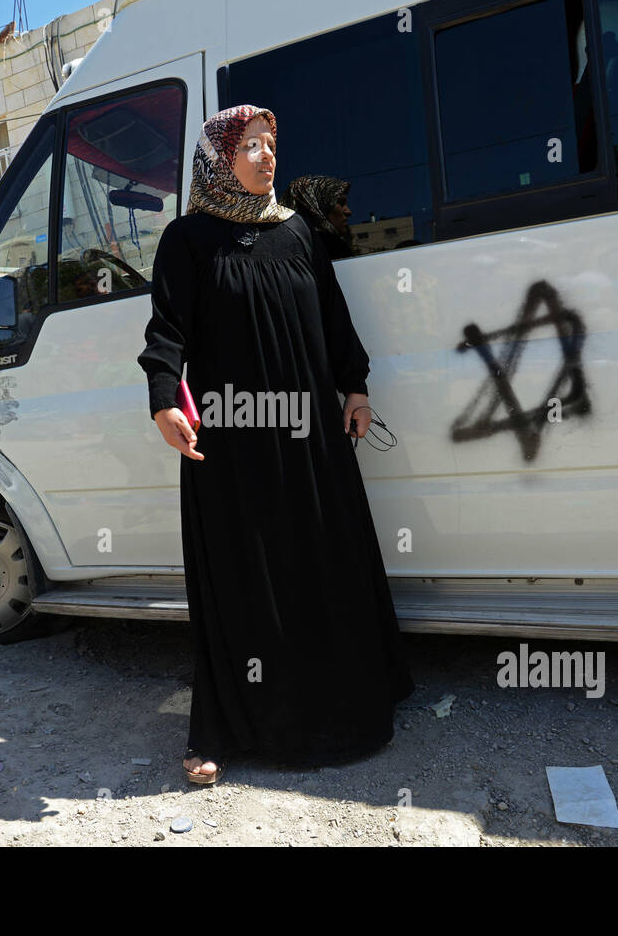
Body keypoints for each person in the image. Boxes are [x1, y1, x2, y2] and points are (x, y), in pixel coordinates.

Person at [137, 105, 414, 785]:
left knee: (325, 565)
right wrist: (164, 398)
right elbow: (165, 334)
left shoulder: (299, 235)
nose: (266, 157)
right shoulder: (188, 239)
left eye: (271, 145)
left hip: (313, 439)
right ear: (217, 160)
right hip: (233, 450)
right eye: (251, 146)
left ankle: (346, 705)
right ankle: (228, 726)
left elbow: (336, 321)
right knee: (244, 581)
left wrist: (355, 388)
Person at [279, 174, 356, 259]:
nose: (348, 211)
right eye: (340, 203)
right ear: (315, 206)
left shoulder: (279, 248)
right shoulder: (331, 246)